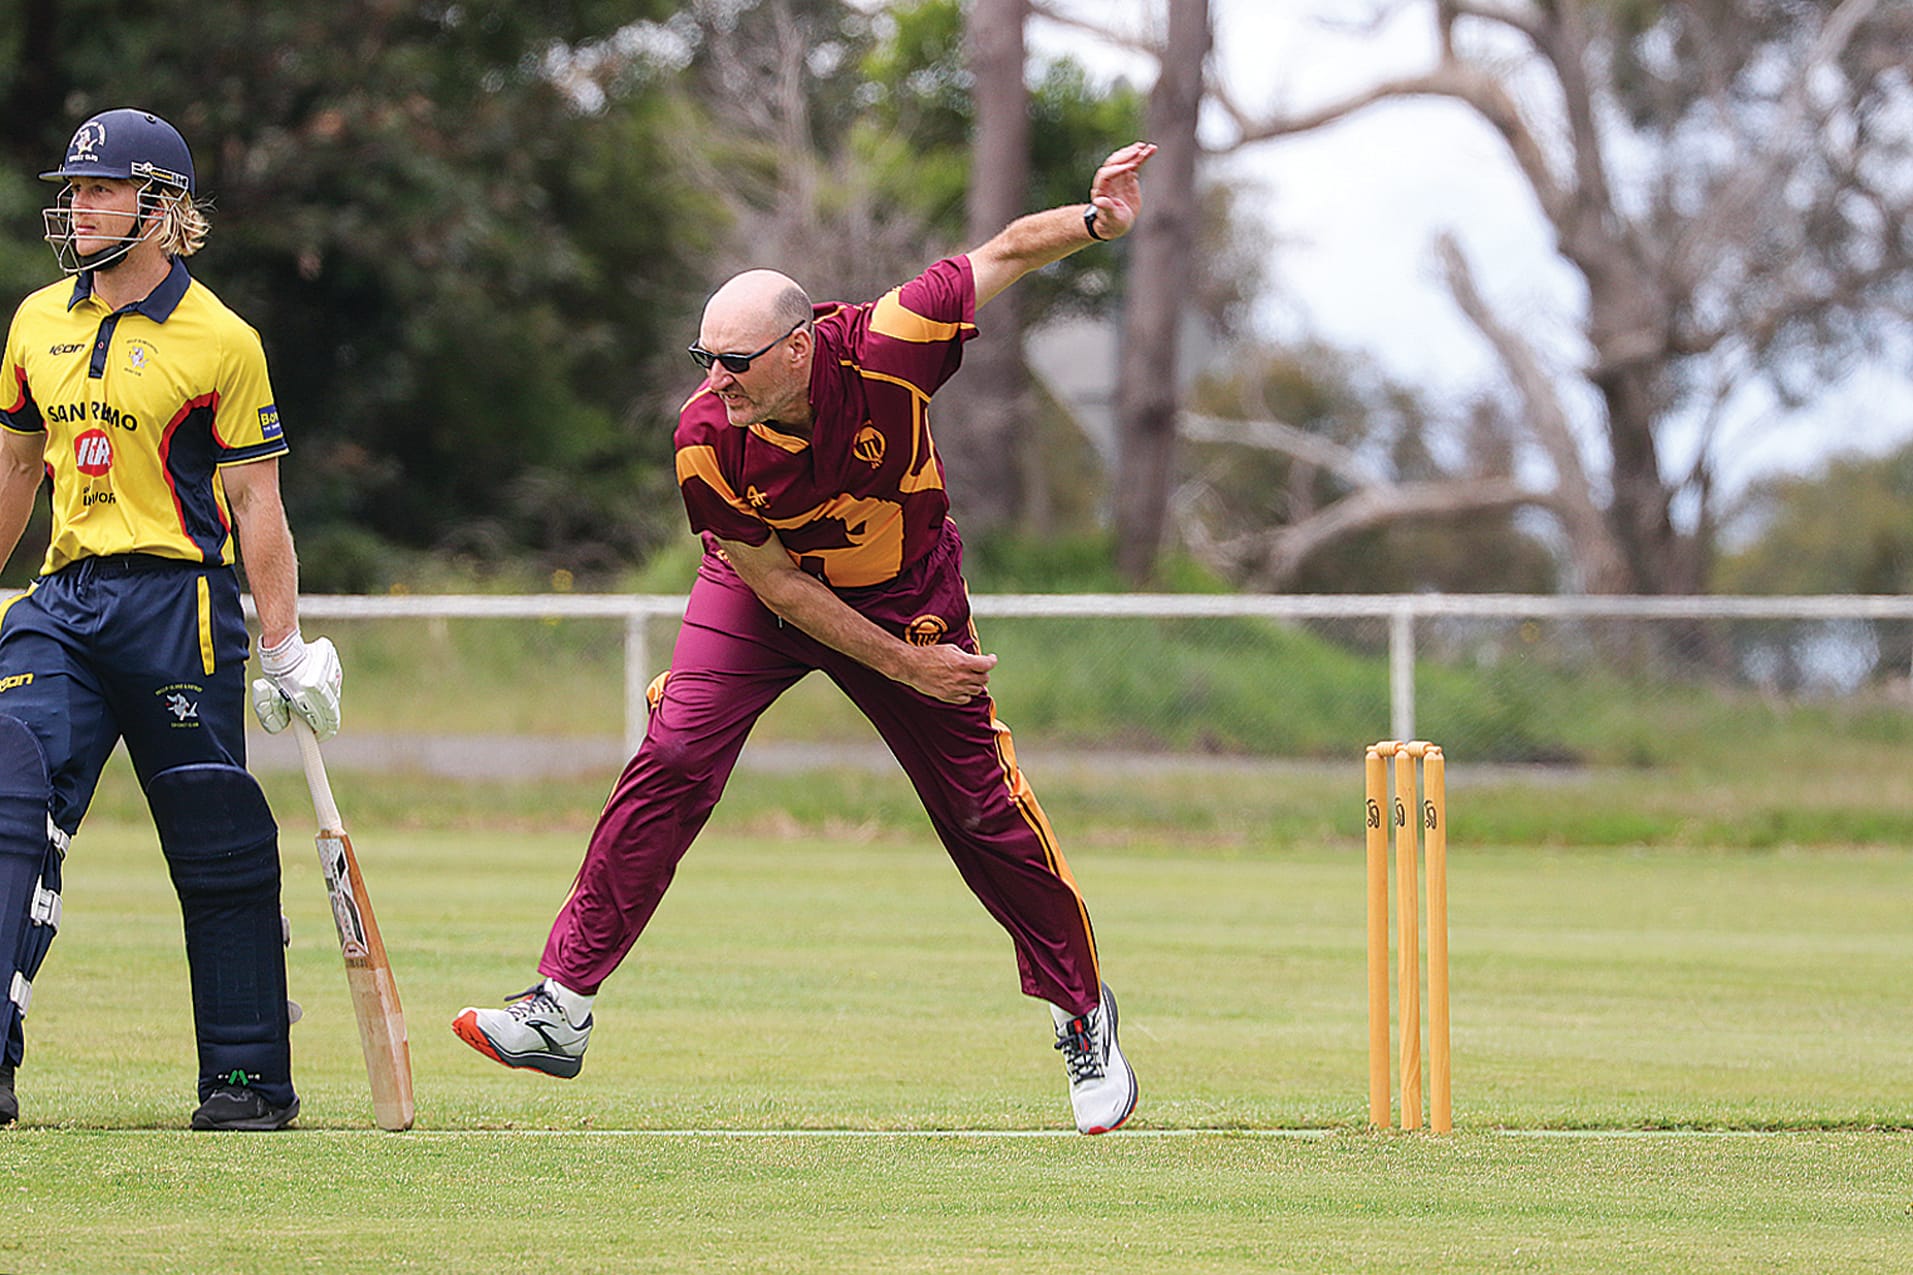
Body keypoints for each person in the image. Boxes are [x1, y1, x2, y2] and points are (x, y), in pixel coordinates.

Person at [456, 142, 1158, 1134]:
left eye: (734, 362)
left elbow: (1002, 252)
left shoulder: (894, 336)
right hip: (765, 592)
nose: (715, 380)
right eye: (703, 359)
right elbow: (774, 582)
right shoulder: (704, 437)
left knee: (978, 811)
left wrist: (1095, 221)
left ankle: (1081, 1011)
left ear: (798, 347)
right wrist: (901, 668)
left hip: (906, 592)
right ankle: (558, 1009)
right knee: (674, 753)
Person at [0, 108, 343, 1131]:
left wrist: (283, 645)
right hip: (61, 601)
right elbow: (15, 470)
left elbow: (256, 502)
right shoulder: (35, 322)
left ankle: (245, 1079)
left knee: (213, 834)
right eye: (75, 189)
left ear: (160, 207)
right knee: (10, 795)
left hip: (178, 607)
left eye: (102, 189)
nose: (80, 206)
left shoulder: (222, 340)